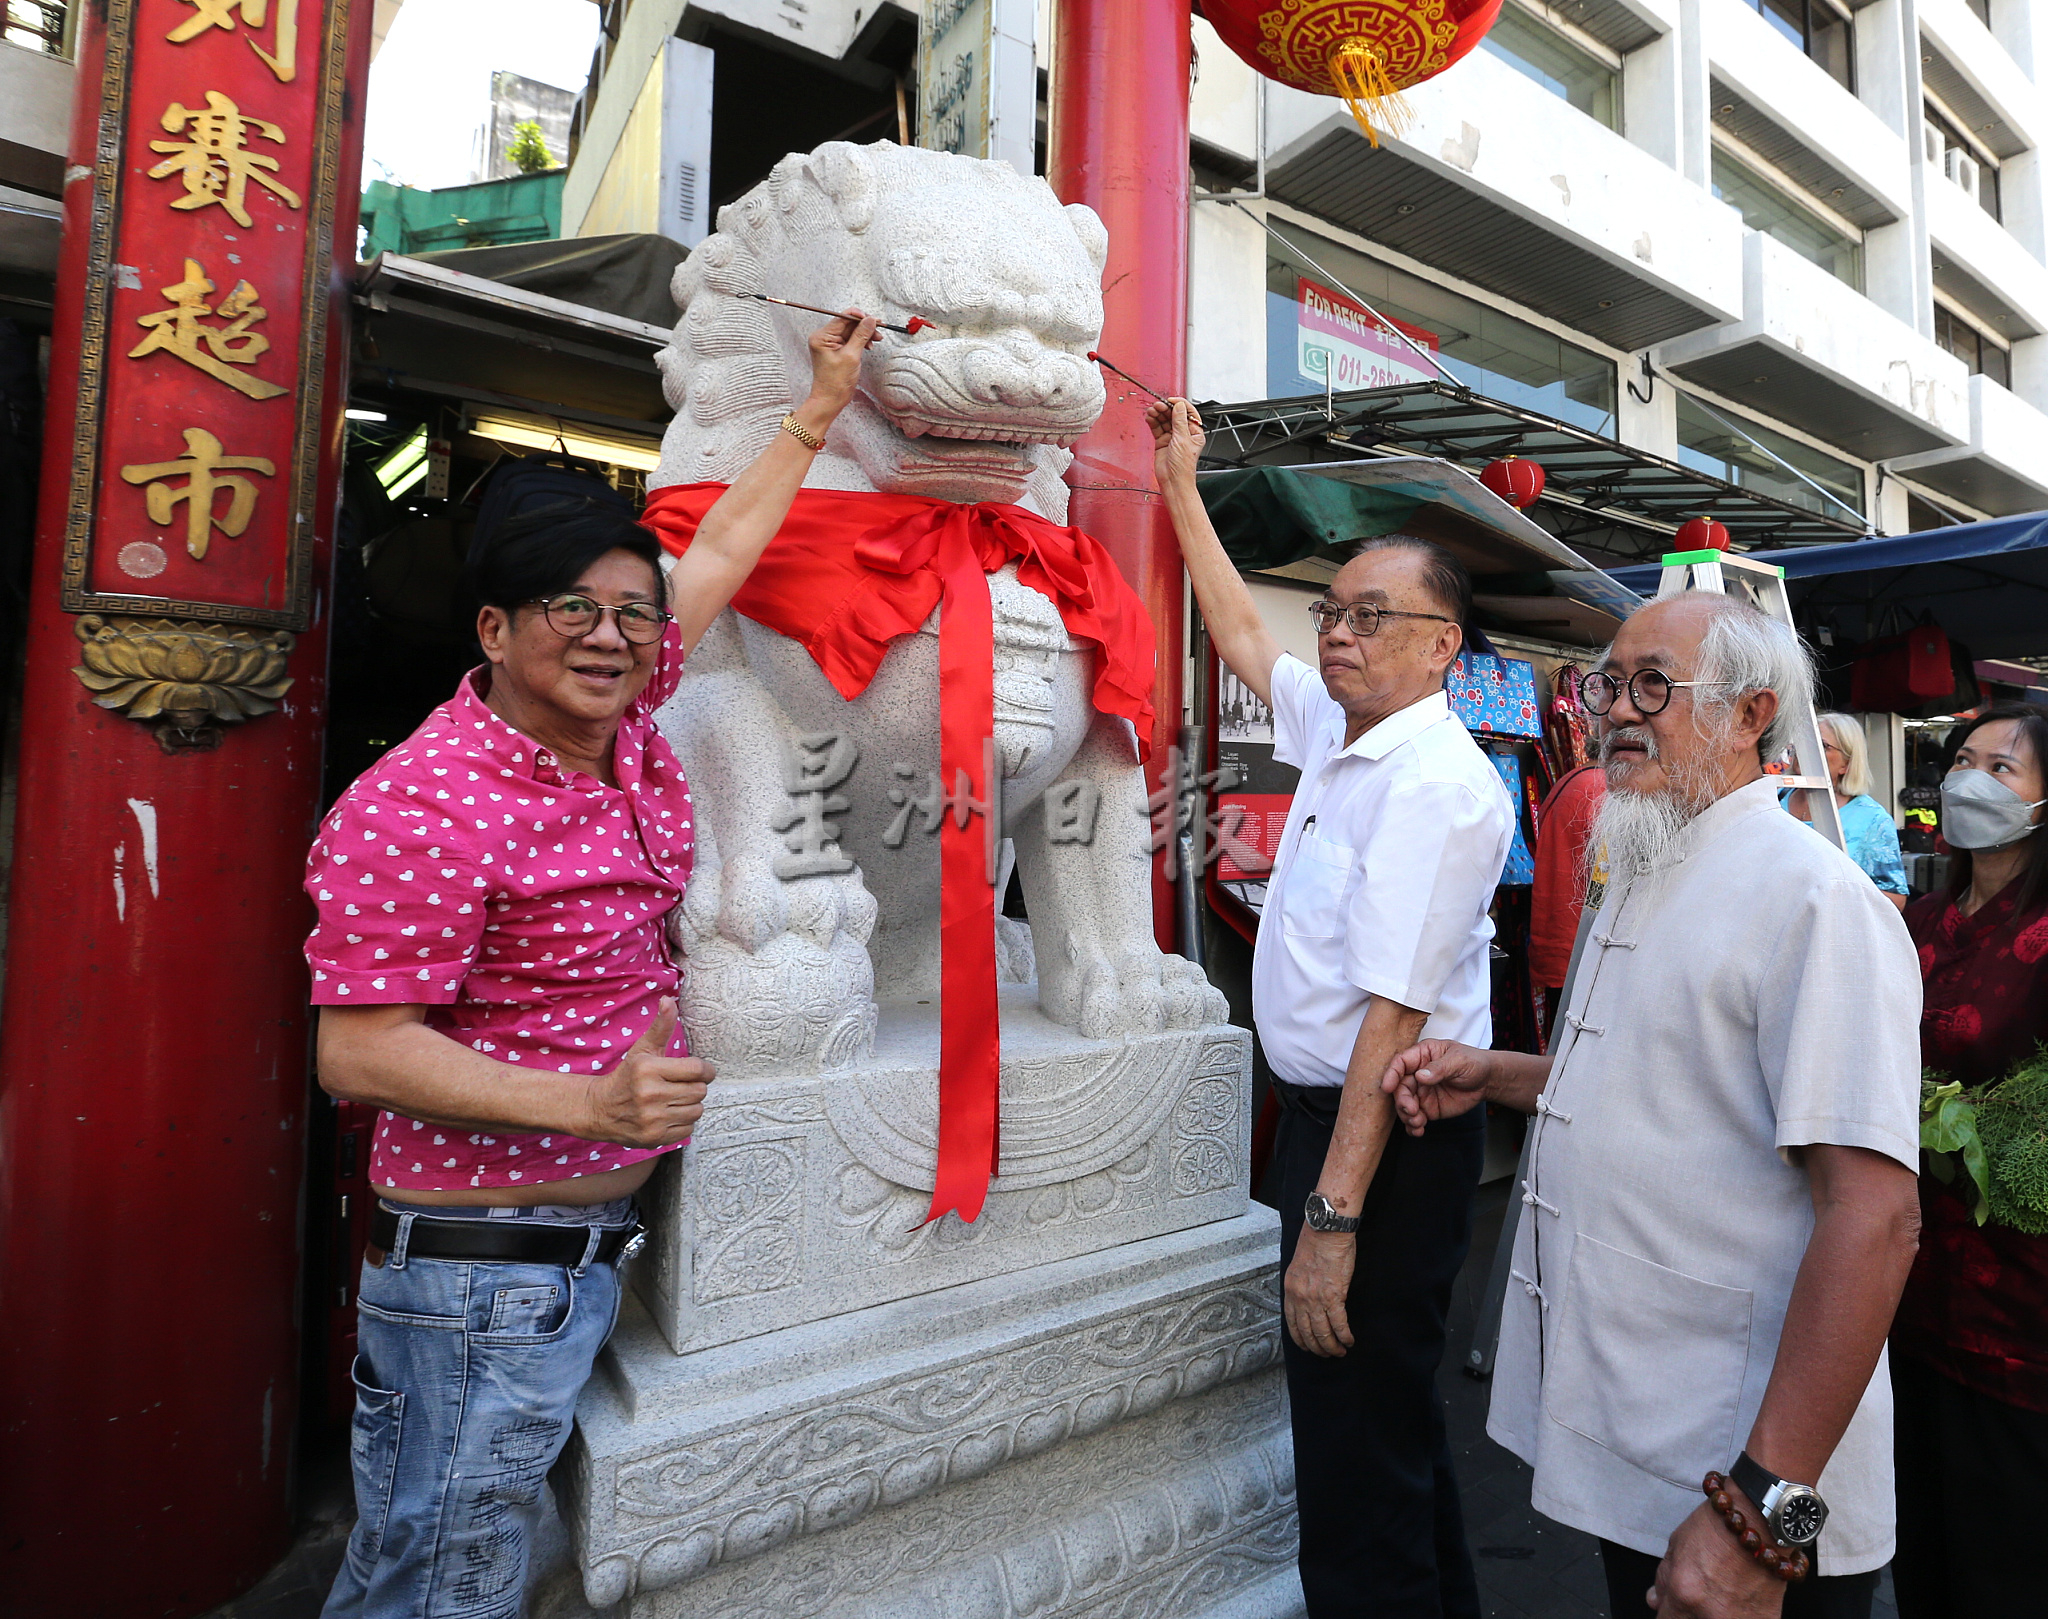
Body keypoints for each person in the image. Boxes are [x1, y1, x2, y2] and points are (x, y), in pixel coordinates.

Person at [309, 311, 880, 1618]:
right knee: (435, 1569)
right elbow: (356, 1045)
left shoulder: (624, 716)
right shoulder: (424, 802)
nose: (615, 633)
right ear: (496, 628)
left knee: (483, 1543)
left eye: (632, 609)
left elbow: (724, 549)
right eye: (575, 608)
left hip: (578, 1252)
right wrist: (593, 1108)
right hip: (477, 1271)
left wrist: (818, 409)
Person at [1383, 593, 1924, 1619]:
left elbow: (1876, 1218)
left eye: (1649, 686)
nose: (1611, 711)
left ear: (1747, 710)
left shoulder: (1813, 900)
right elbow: (1672, 1088)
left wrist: (1759, 1520)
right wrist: (1495, 1071)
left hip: (1746, 1480)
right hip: (1646, 1428)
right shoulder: (1643, 858)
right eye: (1603, 684)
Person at [1150, 398, 1514, 1618]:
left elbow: (1391, 1021)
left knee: (1354, 1456)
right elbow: (1240, 626)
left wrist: (1331, 1218)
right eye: (1335, 611)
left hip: (1385, 1142)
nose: (1341, 632)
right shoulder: (1339, 739)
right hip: (1325, 1120)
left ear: (1441, 646)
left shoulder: (1435, 786)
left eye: (1373, 615)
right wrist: (1179, 483)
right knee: (1387, 1428)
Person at [1888, 701, 2048, 1619]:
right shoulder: (1921, 914)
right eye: (1962, 761)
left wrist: (1949, 1119)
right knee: (1924, 1547)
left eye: (2002, 768)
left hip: (2017, 1311)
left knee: (2007, 1559)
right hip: (1907, 1287)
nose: (1968, 781)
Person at [1787, 712, 1907, 909]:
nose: (1806, 749)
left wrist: (1836, 892)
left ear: (1846, 763)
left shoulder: (1872, 819)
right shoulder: (1773, 798)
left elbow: (1895, 900)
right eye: (1805, 741)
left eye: (1823, 745)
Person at [1529, 760, 1605, 1033]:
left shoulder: (1575, 780)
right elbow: (1602, 882)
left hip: (1558, 941)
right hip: (1579, 948)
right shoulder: (1601, 789)